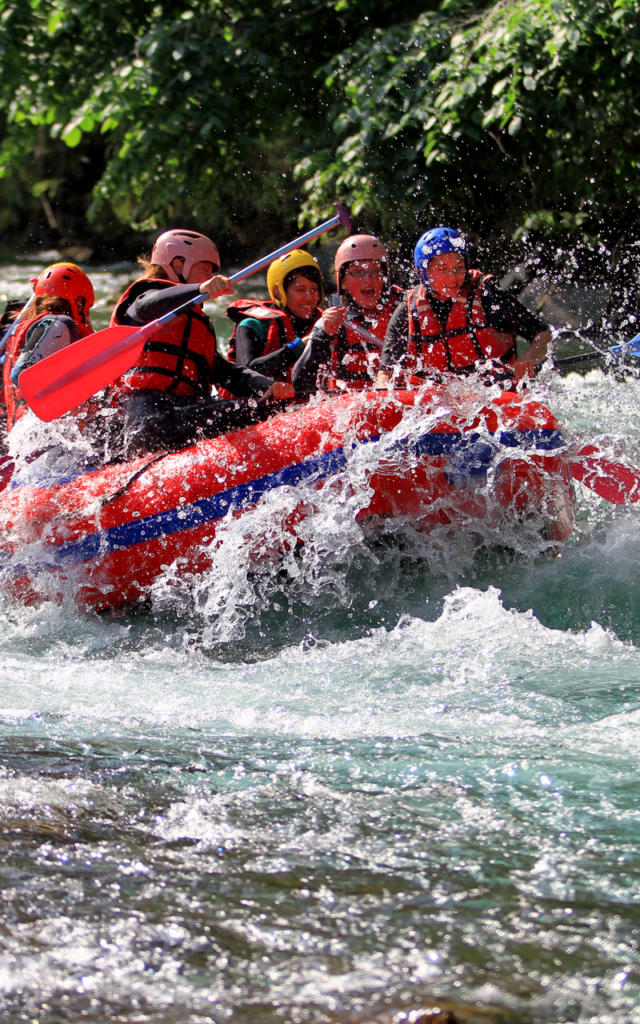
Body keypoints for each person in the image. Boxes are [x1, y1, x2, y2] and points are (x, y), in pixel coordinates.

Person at [108, 228, 294, 457]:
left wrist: (267, 385)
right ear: (177, 266)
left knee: (262, 405)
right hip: (149, 422)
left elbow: (226, 372)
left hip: (181, 416)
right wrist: (198, 289)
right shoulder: (142, 301)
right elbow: (152, 303)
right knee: (254, 410)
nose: (209, 277)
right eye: (205, 270)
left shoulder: (193, 323)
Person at [377, 227, 552, 386]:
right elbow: (385, 374)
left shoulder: (487, 296)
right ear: (423, 273)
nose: (453, 278)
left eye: (458, 267)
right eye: (442, 270)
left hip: (496, 396)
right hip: (437, 405)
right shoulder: (407, 310)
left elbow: (543, 335)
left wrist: (528, 358)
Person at [292, 234, 403, 393]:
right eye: (357, 272)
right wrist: (322, 337)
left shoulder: (405, 312)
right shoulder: (331, 323)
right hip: (350, 408)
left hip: (399, 402)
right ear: (342, 281)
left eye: (374, 271)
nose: (368, 280)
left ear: (384, 276)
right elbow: (300, 384)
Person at [3, 262, 95, 432]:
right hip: (45, 438)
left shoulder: (18, 331)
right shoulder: (57, 324)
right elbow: (23, 375)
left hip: (20, 432)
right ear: (79, 301)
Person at [225, 249, 324, 382]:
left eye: (314, 289)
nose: (310, 297)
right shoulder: (251, 325)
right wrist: (299, 346)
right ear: (278, 293)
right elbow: (246, 373)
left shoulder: (324, 322)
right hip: (252, 401)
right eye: (300, 290)